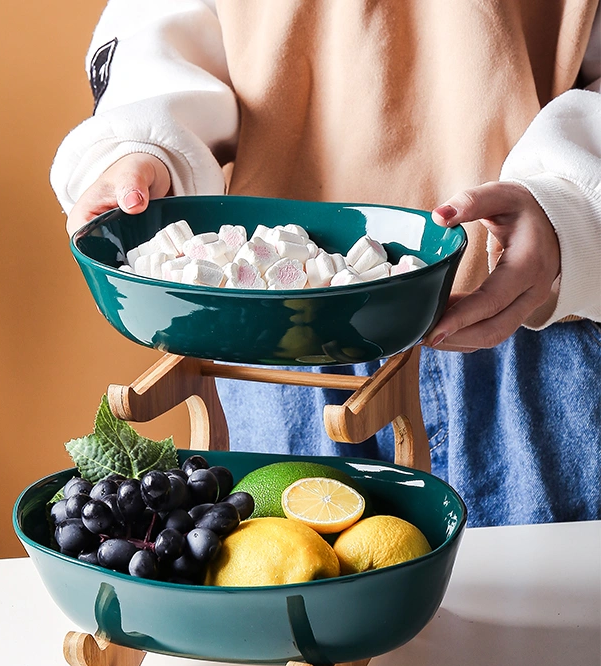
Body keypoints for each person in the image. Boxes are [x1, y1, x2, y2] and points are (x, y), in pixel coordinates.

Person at [50, 0, 601, 526]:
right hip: (274, 338)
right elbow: (167, 27)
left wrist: (573, 206)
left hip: (536, 324)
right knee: (277, 598)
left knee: (554, 610)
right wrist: (142, 146)